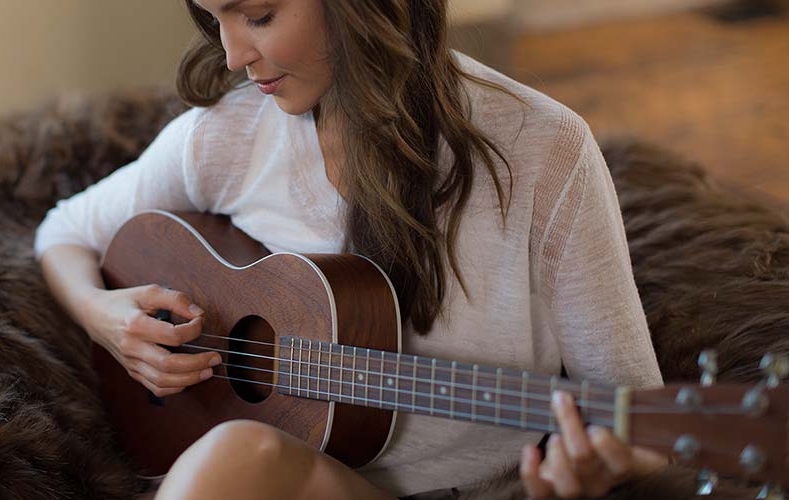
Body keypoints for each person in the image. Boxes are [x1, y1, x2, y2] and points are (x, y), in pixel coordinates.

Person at [33, 0, 669, 498]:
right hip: (297, 483)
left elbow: (639, 416)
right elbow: (63, 232)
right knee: (237, 455)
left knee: (233, 457)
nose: (230, 55)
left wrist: (594, 472)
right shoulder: (226, 138)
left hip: (482, 490)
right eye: (214, 18)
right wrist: (105, 316)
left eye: (258, 15)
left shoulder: (544, 151)